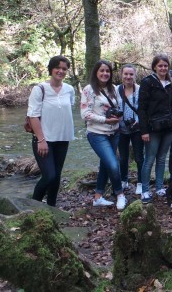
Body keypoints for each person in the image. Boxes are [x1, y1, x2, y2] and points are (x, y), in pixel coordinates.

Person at [27, 55, 75, 207]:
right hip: (44, 140)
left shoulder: (69, 89)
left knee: (57, 176)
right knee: (49, 176)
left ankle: (51, 208)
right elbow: (33, 116)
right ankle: (34, 207)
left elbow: (67, 110)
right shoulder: (39, 89)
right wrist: (41, 140)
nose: (61, 71)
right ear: (51, 69)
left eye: (64, 69)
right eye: (58, 68)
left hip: (62, 139)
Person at [81, 60, 127, 210]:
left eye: (107, 71)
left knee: (105, 165)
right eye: (102, 70)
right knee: (113, 165)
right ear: (96, 72)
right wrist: (105, 119)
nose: (105, 73)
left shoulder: (113, 88)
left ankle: (98, 198)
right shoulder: (89, 90)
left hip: (114, 133)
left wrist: (117, 117)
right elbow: (85, 114)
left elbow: (118, 107)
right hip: (97, 134)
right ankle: (120, 194)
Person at [138, 55, 172, 204]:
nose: (163, 68)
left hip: (167, 127)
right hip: (152, 127)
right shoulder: (147, 82)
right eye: (160, 66)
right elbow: (141, 108)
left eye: (165, 66)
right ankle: (145, 191)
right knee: (149, 159)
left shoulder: (169, 83)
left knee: (161, 158)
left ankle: (160, 187)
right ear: (154, 67)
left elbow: (170, 106)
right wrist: (144, 131)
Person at [117, 64, 144, 194]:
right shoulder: (116, 90)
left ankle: (140, 182)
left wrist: (138, 122)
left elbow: (144, 109)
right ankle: (124, 180)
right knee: (123, 157)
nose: (128, 76)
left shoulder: (140, 89)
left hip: (137, 128)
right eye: (126, 74)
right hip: (121, 129)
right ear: (121, 75)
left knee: (139, 157)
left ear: (135, 75)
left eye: (131, 74)